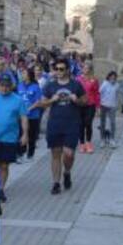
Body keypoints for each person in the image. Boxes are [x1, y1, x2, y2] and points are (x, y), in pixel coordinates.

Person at [35, 58, 86, 195]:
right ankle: (56, 183)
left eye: (61, 69)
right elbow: (42, 103)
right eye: (56, 69)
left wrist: (77, 100)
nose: (58, 71)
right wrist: (52, 100)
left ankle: (67, 172)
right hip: (55, 123)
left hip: (72, 123)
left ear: (68, 70)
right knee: (55, 154)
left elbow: (85, 101)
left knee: (69, 154)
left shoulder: (76, 85)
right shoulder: (50, 85)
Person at [0, 75, 28, 204]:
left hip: (10, 137)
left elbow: (24, 117)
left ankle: (1, 189)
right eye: (2, 86)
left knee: (4, 165)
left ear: (11, 87)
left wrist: (25, 134)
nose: (4, 89)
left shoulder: (18, 100)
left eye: (7, 86)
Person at [19, 68, 44, 159]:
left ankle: (30, 154)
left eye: (24, 73)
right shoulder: (19, 85)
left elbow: (38, 101)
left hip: (33, 115)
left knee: (31, 135)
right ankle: (21, 153)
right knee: (21, 134)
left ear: (29, 75)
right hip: (21, 116)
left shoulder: (35, 86)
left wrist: (29, 108)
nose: (22, 75)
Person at [77, 66, 100, 154]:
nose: (85, 70)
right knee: (81, 125)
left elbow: (97, 93)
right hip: (80, 105)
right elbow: (75, 91)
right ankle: (82, 144)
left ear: (90, 70)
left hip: (91, 105)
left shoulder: (94, 80)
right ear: (82, 69)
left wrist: (98, 106)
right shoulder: (78, 79)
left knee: (88, 123)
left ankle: (88, 143)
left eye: (87, 68)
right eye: (84, 68)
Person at [98, 71, 120, 148]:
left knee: (113, 123)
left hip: (112, 106)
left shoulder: (117, 85)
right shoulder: (105, 83)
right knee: (102, 123)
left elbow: (117, 95)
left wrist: (117, 105)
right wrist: (99, 105)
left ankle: (112, 139)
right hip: (103, 105)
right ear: (109, 77)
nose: (113, 78)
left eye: (114, 77)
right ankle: (102, 139)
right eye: (111, 77)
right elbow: (99, 93)